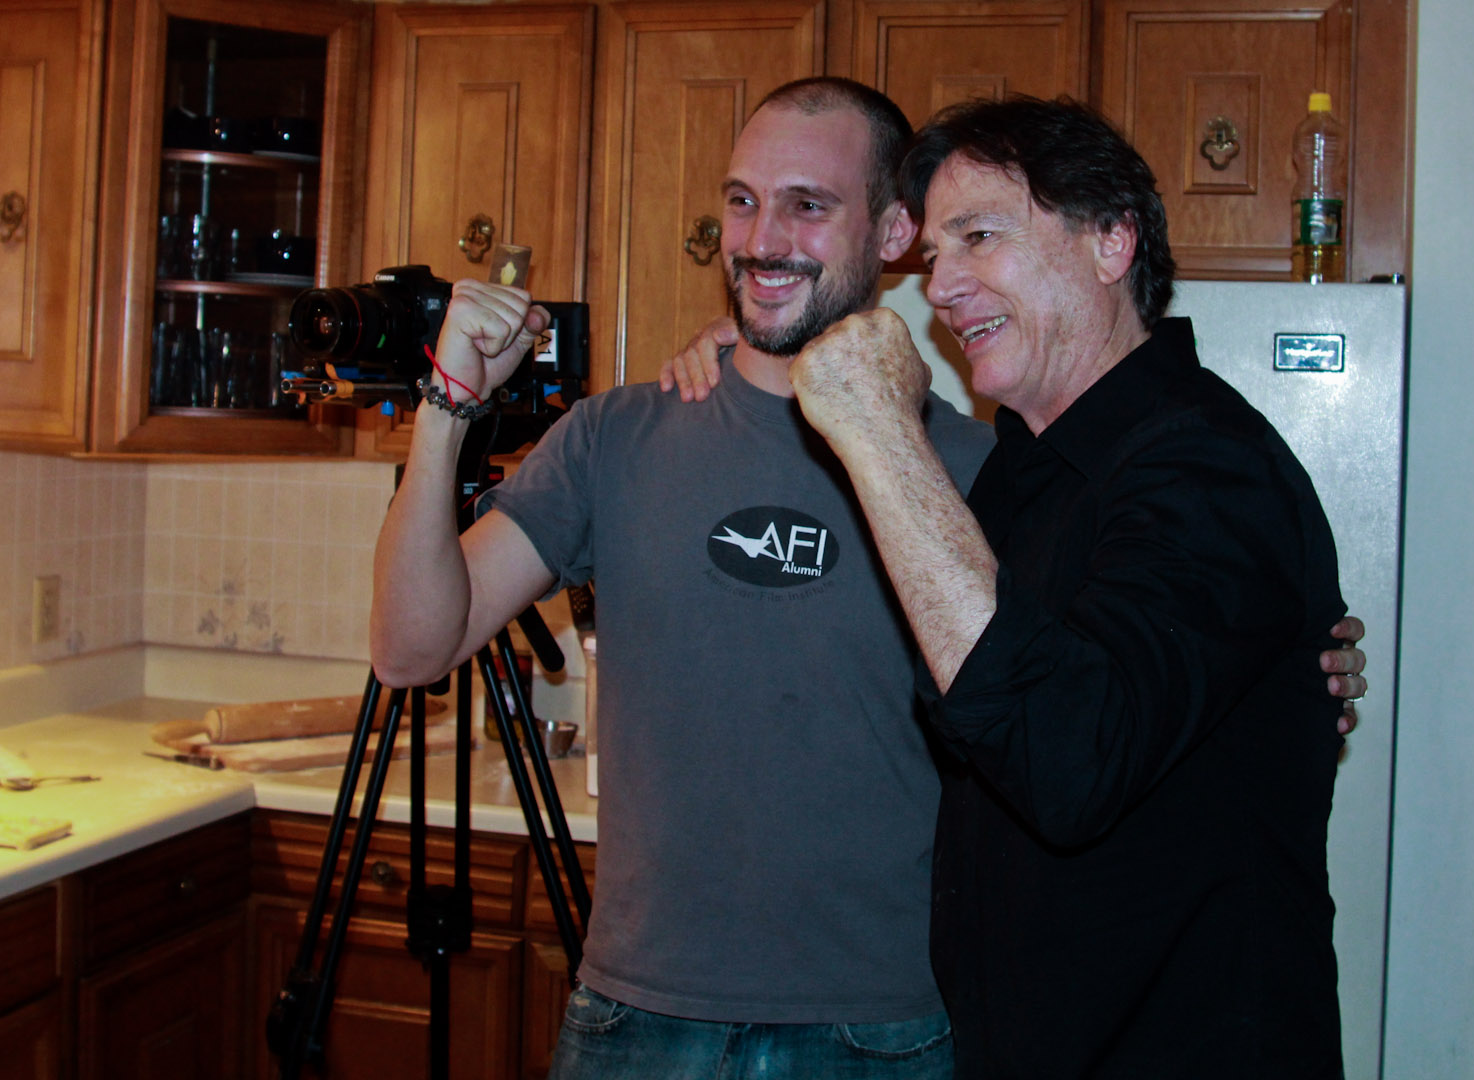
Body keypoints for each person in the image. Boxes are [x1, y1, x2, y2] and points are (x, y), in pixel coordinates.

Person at [370, 79, 1365, 1079]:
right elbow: (412, 648)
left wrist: (1285, 670)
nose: (763, 239)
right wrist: (449, 406)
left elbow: (1076, 732)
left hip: (925, 1035)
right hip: (653, 1016)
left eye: (808, 204)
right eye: (743, 202)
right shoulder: (637, 437)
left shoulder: (1028, 468)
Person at [783, 95, 1350, 1077]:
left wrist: (879, 428)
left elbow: (1063, 757)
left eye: (980, 236)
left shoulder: (1209, 466)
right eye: (934, 256)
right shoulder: (1020, 478)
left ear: (1111, 242)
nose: (940, 286)